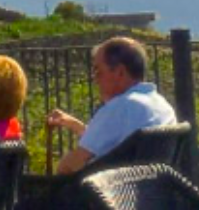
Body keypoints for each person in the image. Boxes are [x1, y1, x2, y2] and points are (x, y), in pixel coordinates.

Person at [46, 37, 176, 174]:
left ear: (120, 72)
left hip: (113, 192)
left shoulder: (121, 107)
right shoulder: (162, 106)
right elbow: (116, 143)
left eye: (98, 71)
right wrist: (76, 126)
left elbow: (70, 165)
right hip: (153, 189)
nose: (95, 79)